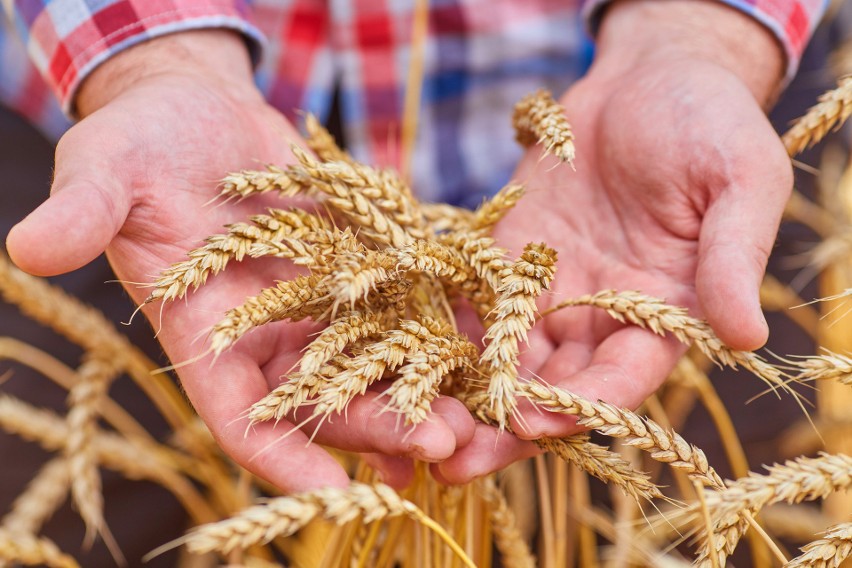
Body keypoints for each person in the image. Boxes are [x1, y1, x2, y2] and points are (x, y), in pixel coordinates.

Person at [1, 0, 825, 501]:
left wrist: (695, 35)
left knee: (694, 511)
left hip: (642, 159)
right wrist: (149, 60)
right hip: (171, 168)